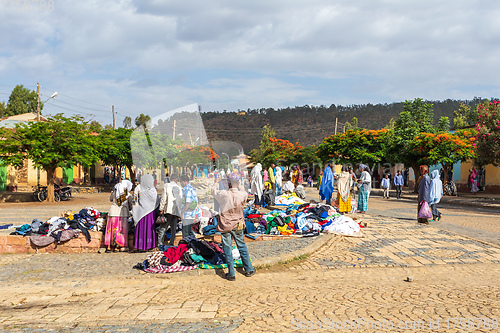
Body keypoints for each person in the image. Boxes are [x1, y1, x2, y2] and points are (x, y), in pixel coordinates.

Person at [212, 176, 255, 281]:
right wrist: (238, 186)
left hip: (225, 224)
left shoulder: (223, 194)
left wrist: (215, 183)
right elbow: (244, 194)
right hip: (238, 224)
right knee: (242, 246)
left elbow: (213, 192)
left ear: (228, 184)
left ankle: (231, 273)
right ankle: (248, 269)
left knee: (227, 248)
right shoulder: (242, 194)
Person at [132, 174, 160, 251]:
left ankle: (139, 246)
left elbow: (134, 200)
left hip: (140, 212)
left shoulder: (138, 187)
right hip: (150, 213)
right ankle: (149, 245)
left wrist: (136, 209)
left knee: (141, 228)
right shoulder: (153, 189)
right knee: (149, 229)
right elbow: (157, 200)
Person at [105, 178, 133, 252]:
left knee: (111, 230)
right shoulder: (127, 194)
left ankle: (109, 246)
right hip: (122, 214)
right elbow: (131, 204)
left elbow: (111, 199)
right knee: (120, 230)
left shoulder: (114, 192)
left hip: (113, 213)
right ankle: (118, 246)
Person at [158, 174, 182, 246]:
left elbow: (163, 198)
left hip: (168, 210)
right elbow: (180, 200)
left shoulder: (166, 186)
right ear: (176, 179)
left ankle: (160, 244)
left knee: (163, 228)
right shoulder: (179, 187)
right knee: (173, 228)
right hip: (176, 211)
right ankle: (171, 243)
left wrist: (161, 209)